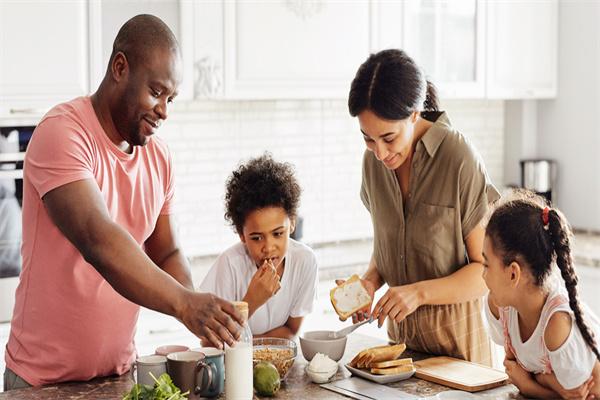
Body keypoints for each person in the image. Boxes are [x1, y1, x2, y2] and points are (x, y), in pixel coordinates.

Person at [4, 15, 243, 390]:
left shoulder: (158, 158)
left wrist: (197, 310)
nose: (164, 110)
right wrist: (184, 304)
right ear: (120, 68)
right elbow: (98, 240)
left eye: (171, 98)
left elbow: (167, 251)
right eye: (156, 92)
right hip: (41, 383)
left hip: (118, 376)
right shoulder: (63, 133)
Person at [341, 49, 500, 365]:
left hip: (460, 357)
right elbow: (390, 246)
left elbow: (486, 271)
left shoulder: (458, 157)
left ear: (415, 114)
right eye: (368, 139)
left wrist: (418, 293)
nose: (380, 153)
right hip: (399, 355)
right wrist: (370, 282)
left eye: (388, 137)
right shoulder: (373, 165)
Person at [483, 191, 600, 399]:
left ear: (513, 273)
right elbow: (513, 370)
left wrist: (531, 384)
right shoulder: (500, 306)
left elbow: (585, 395)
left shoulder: (557, 325)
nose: (483, 275)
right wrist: (547, 383)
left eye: (486, 264)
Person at [199, 154, 318, 339]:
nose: (268, 247)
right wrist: (251, 301)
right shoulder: (230, 264)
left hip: (275, 363)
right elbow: (210, 342)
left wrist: (246, 344)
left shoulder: (305, 261)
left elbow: (291, 331)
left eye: (278, 233)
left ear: (292, 223)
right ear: (241, 235)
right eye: (256, 238)